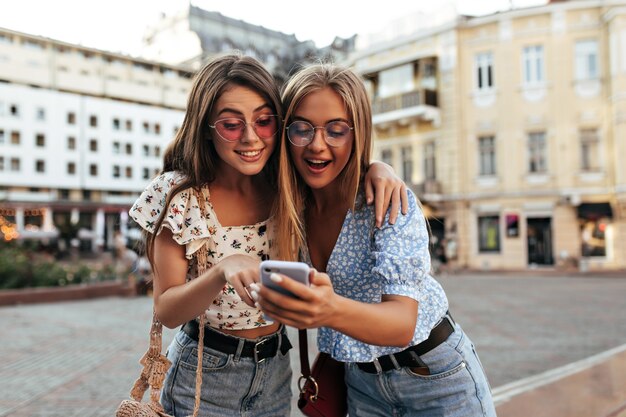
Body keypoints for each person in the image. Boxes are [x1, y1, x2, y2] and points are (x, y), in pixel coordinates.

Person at [129, 53, 408, 417]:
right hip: (205, 373)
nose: (250, 138)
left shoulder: (286, 187)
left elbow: (331, 162)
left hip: (276, 370)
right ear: (205, 126)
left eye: (264, 122)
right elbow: (166, 310)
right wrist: (221, 270)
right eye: (231, 124)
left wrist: (378, 168)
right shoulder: (180, 196)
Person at [255, 63, 497, 416]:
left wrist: (327, 309)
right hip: (361, 387)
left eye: (336, 130)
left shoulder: (385, 199)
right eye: (302, 129)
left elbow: (402, 324)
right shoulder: (288, 207)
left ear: (358, 133)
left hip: (434, 376)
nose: (317, 145)